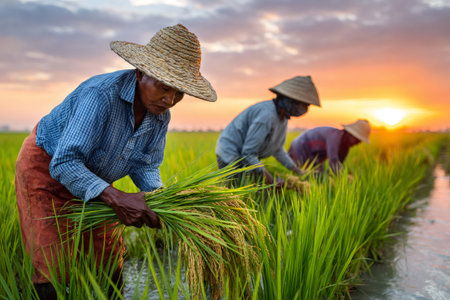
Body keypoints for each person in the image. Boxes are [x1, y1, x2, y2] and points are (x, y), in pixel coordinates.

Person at [15, 24, 217, 299]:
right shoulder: (100, 96)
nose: (170, 99)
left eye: (179, 92)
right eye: (163, 86)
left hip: (96, 181)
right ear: (141, 73)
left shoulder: (159, 114)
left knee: (107, 258)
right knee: (51, 260)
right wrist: (118, 197)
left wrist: (160, 200)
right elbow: (65, 164)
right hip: (48, 169)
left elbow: (145, 164)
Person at [215, 76, 321, 188]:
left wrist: (297, 170)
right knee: (236, 191)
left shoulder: (282, 117)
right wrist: (271, 181)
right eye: (305, 104)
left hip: (246, 155)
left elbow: (277, 149)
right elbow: (248, 153)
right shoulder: (266, 116)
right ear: (291, 101)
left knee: (259, 188)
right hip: (230, 153)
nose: (306, 109)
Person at [288, 119, 371, 173]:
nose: (357, 143)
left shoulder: (345, 146)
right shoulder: (335, 137)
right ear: (351, 134)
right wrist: (341, 179)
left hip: (314, 154)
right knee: (306, 174)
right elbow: (333, 161)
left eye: (360, 141)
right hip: (300, 147)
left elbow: (340, 164)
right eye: (357, 139)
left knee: (319, 174)